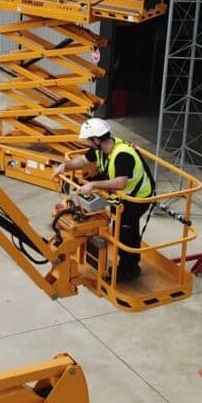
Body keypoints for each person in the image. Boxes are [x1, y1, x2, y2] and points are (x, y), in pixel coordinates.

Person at [52, 117, 153, 281]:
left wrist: (93, 185)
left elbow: (120, 183)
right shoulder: (102, 148)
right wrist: (64, 166)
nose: (87, 144)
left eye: (88, 141)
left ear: (96, 139)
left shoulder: (122, 156)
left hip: (136, 200)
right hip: (122, 198)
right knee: (120, 228)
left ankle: (129, 269)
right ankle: (125, 256)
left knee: (126, 233)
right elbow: (83, 160)